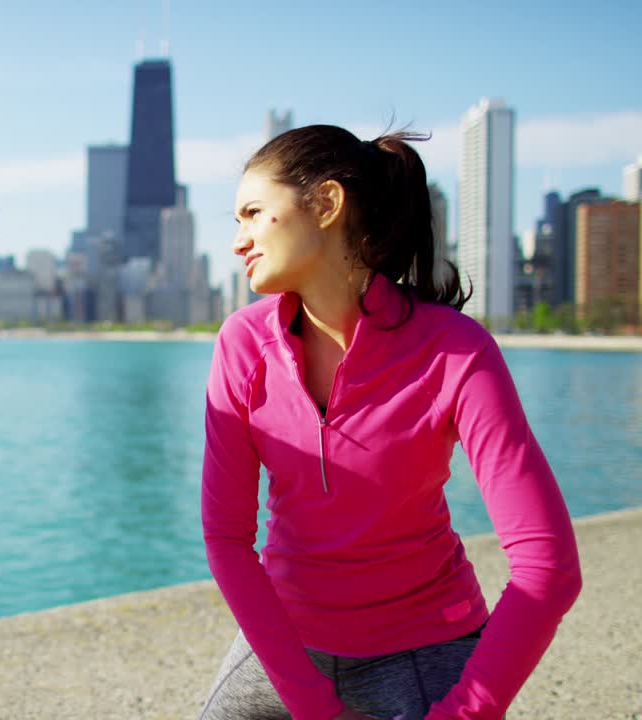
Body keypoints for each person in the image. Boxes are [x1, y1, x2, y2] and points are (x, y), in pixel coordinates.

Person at [199, 126, 581, 720]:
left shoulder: (457, 351)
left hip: (424, 645)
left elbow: (548, 566)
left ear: (326, 204)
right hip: (285, 649)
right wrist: (313, 708)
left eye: (252, 213)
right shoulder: (241, 344)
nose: (238, 241)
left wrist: (465, 714)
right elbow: (227, 538)